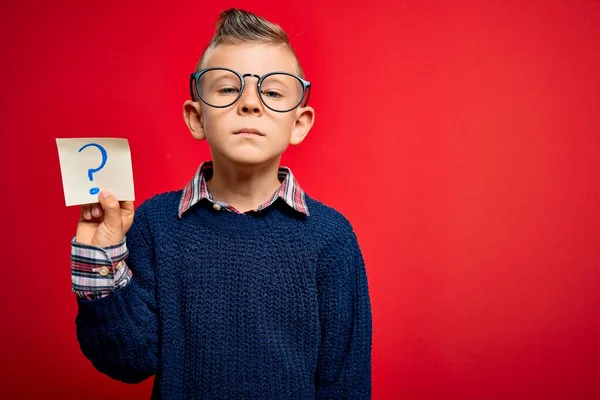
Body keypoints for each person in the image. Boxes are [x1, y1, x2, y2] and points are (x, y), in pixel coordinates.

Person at [71, 8, 372, 399]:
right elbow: (129, 360)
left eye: (274, 91)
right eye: (228, 89)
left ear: (299, 123)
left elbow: (344, 384)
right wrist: (100, 258)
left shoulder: (332, 239)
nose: (250, 103)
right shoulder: (154, 224)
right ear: (196, 118)